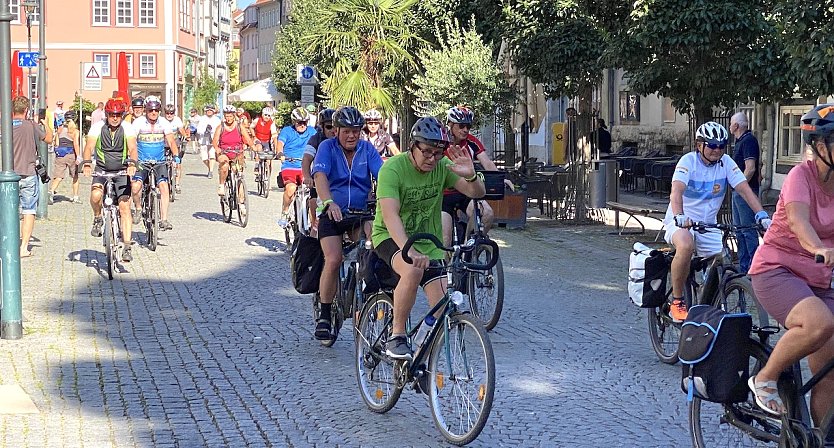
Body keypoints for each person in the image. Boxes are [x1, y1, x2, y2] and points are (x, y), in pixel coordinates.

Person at [372, 116, 486, 359]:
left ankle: (421, 358)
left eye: (437, 153)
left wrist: (471, 175)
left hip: (428, 242)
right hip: (390, 237)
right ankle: (397, 336)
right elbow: (390, 216)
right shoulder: (392, 169)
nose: (432, 159)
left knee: (444, 305)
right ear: (412, 146)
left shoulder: (442, 166)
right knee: (412, 269)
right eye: (427, 152)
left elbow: (477, 193)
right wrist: (407, 250)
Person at [747, 104, 834, 419]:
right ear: (820, 146)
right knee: (819, 323)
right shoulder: (801, 176)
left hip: (819, 279)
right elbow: (798, 221)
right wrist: (818, 248)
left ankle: (821, 439)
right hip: (777, 271)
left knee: (828, 370)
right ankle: (765, 377)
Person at [663, 121, 770, 322]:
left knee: (723, 261)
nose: (717, 150)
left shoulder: (726, 163)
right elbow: (676, 191)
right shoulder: (688, 162)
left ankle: (708, 303)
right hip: (680, 221)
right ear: (699, 145)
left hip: (708, 225)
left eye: (721, 146)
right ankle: (677, 302)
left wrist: (762, 216)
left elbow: (745, 190)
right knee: (685, 245)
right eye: (711, 145)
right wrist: (679, 216)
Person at [311, 106, 383, 339]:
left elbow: (383, 175)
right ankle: (324, 314)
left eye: (356, 131)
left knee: (375, 240)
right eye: (346, 131)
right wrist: (328, 202)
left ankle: (369, 285)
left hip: (359, 214)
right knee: (333, 259)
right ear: (336, 131)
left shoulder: (367, 149)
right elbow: (320, 176)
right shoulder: (326, 148)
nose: (352, 136)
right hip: (332, 213)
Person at [441, 105, 513, 246]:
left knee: (487, 214)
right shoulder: (441, 142)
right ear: (450, 124)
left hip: (466, 191)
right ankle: (447, 267)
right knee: (445, 238)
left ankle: (469, 248)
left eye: (468, 126)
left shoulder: (471, 142)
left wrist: (499, 178)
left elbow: (486, 162)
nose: (465, 130)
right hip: (443, 194)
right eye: (461, 126)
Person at [81, 98, 138, 262]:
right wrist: (86, 163)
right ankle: (98, 217)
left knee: (124, 207)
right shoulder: (97, 127)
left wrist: (133, 163)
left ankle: (127, 246)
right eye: (112, 114)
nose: (115, 118)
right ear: (106, 114)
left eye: (118, 115)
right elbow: (89, 147)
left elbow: (133, 147)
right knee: (96, 196)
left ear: (122, 115)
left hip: (121, 170)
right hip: (102, 169)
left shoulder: (127, 128)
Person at [11, 96, 53, 257]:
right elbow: (49, 139)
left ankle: (9, 243)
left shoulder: (6, 126)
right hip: (28, 173)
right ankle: (23, 247)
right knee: (29, 210)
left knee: (9, 209)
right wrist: (46, 124)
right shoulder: (32, 125)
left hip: (9, 175)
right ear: (27, 110)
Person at [130, 96, 179, 231]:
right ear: (146, 110)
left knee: (164, 187)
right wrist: (132, 160)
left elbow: (170, 140)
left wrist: (176, 156)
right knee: (135, 187)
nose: (153, 113)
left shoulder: (163, 122)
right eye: (151, 110)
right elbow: (132, 142)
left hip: (159, 161)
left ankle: (163, 219)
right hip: (142, 161)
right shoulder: (138, 123)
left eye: (156, 110)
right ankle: (138, 208)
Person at [729, 111, 762, 273]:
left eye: (730, 123)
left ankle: (753, 268)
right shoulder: (742, 141)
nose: (729, 126)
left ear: (736, 125)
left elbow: (750, 169)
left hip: (745, 192)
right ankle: (743, 267)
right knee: (740, 230)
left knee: (747, 230)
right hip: (741, 191)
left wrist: (738, 186)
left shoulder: (748, 141)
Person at [276, 107, 317, 228]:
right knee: (291, 189)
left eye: (305, 122)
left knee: (312, 194)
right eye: (300, 122)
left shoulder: (312, 131)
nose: (302, 125)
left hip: (306, 167)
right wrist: (280, 153)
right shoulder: (287, 131)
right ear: (294, 122)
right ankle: (285, 211)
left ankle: (313, 223)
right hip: (290, 165)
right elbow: (280, 145)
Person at [302, 108, 336, 236]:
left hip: (335, 182)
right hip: (318, 180)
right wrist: (307, 176)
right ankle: (314, 231)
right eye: (329, 127)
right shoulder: (315, 139)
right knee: (313, 202)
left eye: (336, 126)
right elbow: (306, 159)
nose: (333, 130)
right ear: (321, 127)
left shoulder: (342, 140)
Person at [212, 105, 258, 199]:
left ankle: (241, 201)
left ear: (234, 116)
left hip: (237, 152)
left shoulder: (239, 126)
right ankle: (221, 185)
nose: (228, 118)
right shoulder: (220, 127)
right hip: (224, 152)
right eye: (226, 116)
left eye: (230, 116)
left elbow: (247, 138)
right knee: (224, 165)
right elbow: (214, 141)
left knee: (239, 173)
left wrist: (253, 146)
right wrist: (217, 148)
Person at [49, 111, 81, 204]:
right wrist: (78, 156)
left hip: (60, 154)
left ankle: (51, 192)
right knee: (75, 177)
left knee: (58, 176)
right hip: (71, 154)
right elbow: (76, 144)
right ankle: (75, 197)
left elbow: (56, 141)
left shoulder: (60, 128)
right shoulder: (75, 131)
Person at [164, 104, 189, 194]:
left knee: (178, 163)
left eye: (171, 113)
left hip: (175, 142)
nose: (169, 115)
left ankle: (177, 184)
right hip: (164, 143)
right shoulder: (162, 121)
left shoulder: (177, 120)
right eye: (167, 113)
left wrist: (185, 136)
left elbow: (181, 130)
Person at [250, 107, 279, 181]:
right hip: (258, 139)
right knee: (259, 149)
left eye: (269, 116)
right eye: (265, 115)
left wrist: (276, 148)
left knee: (269, 160)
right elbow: (251, 127)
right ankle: (257, 167)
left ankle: (267, 175)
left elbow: (274, 136)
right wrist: (254, 136)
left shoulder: (272, 124)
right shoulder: (257, 120)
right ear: (262, 115)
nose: (267, 117)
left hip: (266, 141)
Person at [197, 105, 221, 178]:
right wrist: (205, 131)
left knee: (212, 155)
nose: (209, 112)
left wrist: (212, 132)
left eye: (211, 110)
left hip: (213, 140)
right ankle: (209, 167)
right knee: (204, 158)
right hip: (203, 140)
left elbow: (219, 129)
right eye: (208, 111)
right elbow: (198, 129)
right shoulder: (202, 119)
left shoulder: (217, 119)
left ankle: (211, 171)